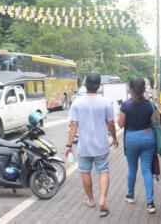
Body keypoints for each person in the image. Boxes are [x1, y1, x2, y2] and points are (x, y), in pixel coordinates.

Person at [65, 73, 118, 218]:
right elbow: (111, 123)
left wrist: (69, 145)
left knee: (85, 171)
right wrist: (114, 138)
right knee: (103, 171)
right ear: (99, 85)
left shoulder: (77, 102)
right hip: (101, 145)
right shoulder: (106, 102)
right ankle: (102, 200)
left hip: (84, 146)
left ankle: (90, 199)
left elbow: (74, 125)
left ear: (85, 84)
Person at [118, 78, 157, 214]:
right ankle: (150, 203)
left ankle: (130, 195)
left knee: (132, 168)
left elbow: (121, 124)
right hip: (148, 138)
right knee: (147, 170)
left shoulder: (125, 105)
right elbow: (154, 122)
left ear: (131, 89)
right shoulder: (150, 105)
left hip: (132, 139)